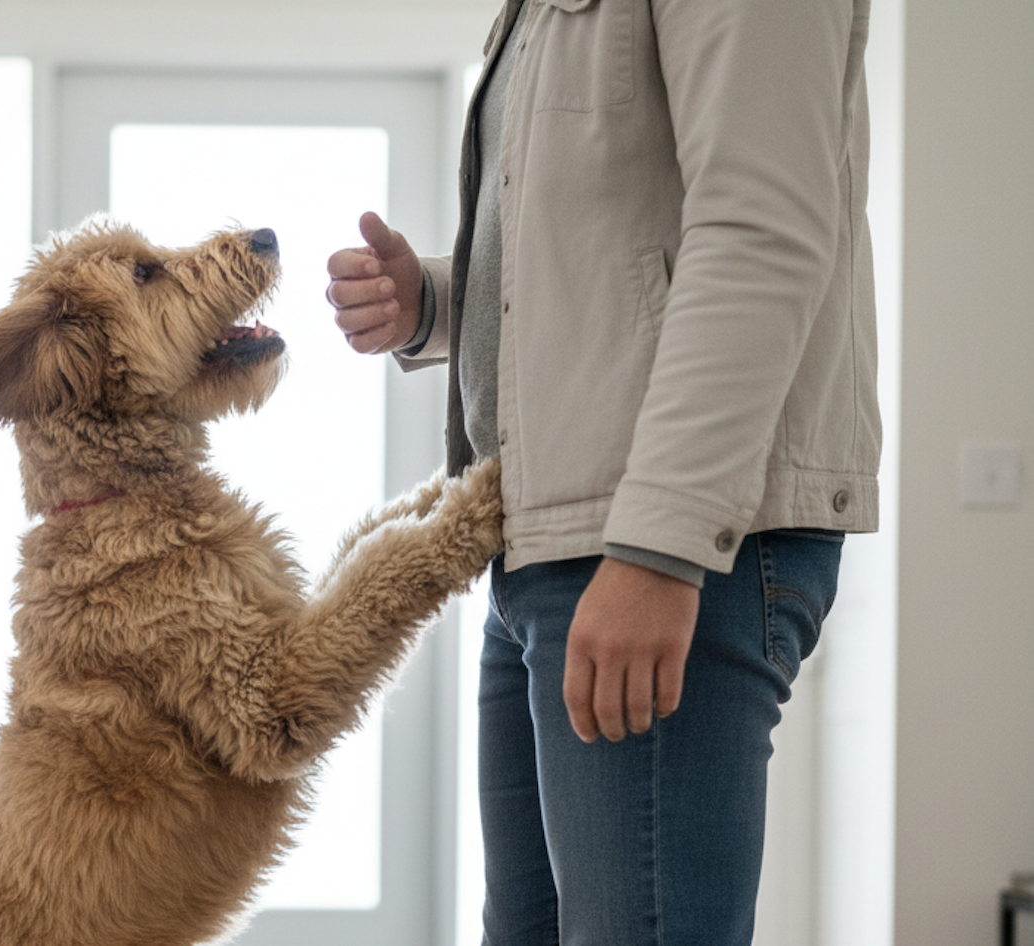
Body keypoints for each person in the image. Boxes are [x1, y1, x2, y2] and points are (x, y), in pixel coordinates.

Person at [325, 0, 880, 942]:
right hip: (549, 539)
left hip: (657, 541)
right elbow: (605, 253)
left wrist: (659, 549)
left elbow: (761, 230)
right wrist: (435, 304)